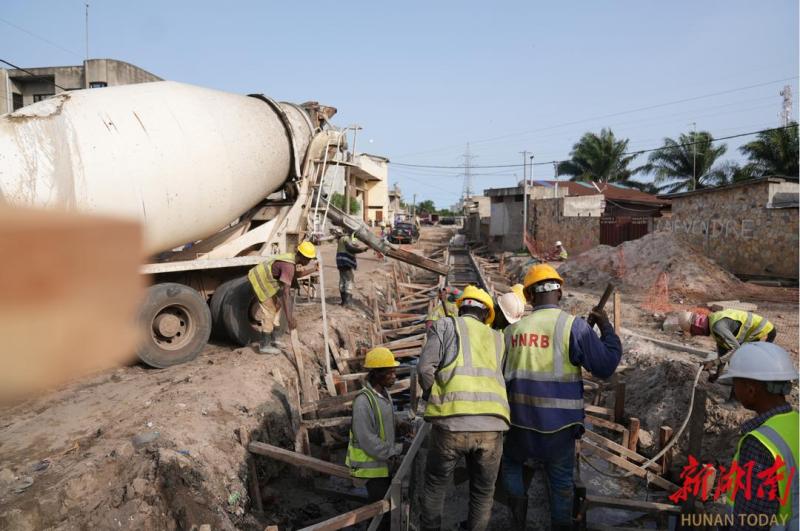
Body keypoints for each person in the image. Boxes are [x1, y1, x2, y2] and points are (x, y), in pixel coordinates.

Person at [502, 264, 622, 529]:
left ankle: (517, 518)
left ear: (530, 297)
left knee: (511, 465)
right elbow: (605, 366)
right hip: (560, 428)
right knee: (561, 484)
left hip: (519, 424)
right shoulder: (574, 327)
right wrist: (606, 328)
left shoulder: (512, 332)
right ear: (559, 293)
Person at [418, 285, 509, 531]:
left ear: (462, 307)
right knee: (483, 491)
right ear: (486, 314)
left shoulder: (446, 325)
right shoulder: (498, 338)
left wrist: (432, 395)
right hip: (492, 426)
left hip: (451, 424)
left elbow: (425, 369)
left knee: (436, 484)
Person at [717, 342, 798, 531]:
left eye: (735, 383)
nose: (734, 390)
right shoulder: (795, 422)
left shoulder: (759, 445)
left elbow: (751, 521)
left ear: (751, 390)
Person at [346, 347, 404, 509]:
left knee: (386, 509)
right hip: (371, 471)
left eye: (394, 372)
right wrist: (397, 449)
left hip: (383, 464)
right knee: (380, 513)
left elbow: (384, 418)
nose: (394, 376)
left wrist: (399, 424)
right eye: (390, 373)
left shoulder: (384, 393)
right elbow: (368, 440)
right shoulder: (363, 402)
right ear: (377, 374)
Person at [247, 241, 316, 354]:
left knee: (277, 306)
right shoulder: (288, 265)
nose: (309, 262)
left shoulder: (292, 259)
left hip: (266, 281)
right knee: (270, 311)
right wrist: (289, 319)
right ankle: (264, 345)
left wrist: (314, 269)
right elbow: (285, 294)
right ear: (303, 257)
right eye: (308, 259)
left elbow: (296, 275)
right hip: (261, 280)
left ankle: (274, 339)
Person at [678, 309, 777, 357]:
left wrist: (714, 363)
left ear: (697, 326)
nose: (698, 335)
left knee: (741, 361)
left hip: (763, 330)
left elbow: (737, 350)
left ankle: (735, 396)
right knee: (730, 358)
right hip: (757, 329)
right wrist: (716, 375)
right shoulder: (713, 322)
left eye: (694, 332)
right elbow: (723, 353)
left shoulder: (718, 327)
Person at [335, 229, 368, 306]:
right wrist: (361, 250)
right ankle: (347, 301)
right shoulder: (346, 238)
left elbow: (350, 246)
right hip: (345, 261)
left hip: (340, 261)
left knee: (342, 280)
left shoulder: (341, 239)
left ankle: (343, 301)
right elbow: (350, 249)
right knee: (349, 280)